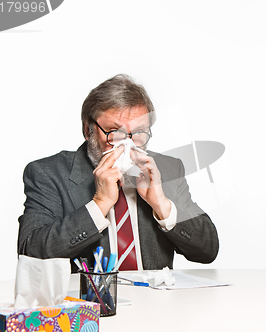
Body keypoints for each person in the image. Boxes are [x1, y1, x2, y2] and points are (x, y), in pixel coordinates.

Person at [18, 74, 219, 272]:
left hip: (155, 301)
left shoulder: (167, 168)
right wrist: (99, 204)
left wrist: (162, 205)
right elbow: (30, 253)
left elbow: (208, 250)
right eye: (115, 131)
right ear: (88, 130)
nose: (128, 143)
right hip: (90, 302)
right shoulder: (49, 173)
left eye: (139, 132)